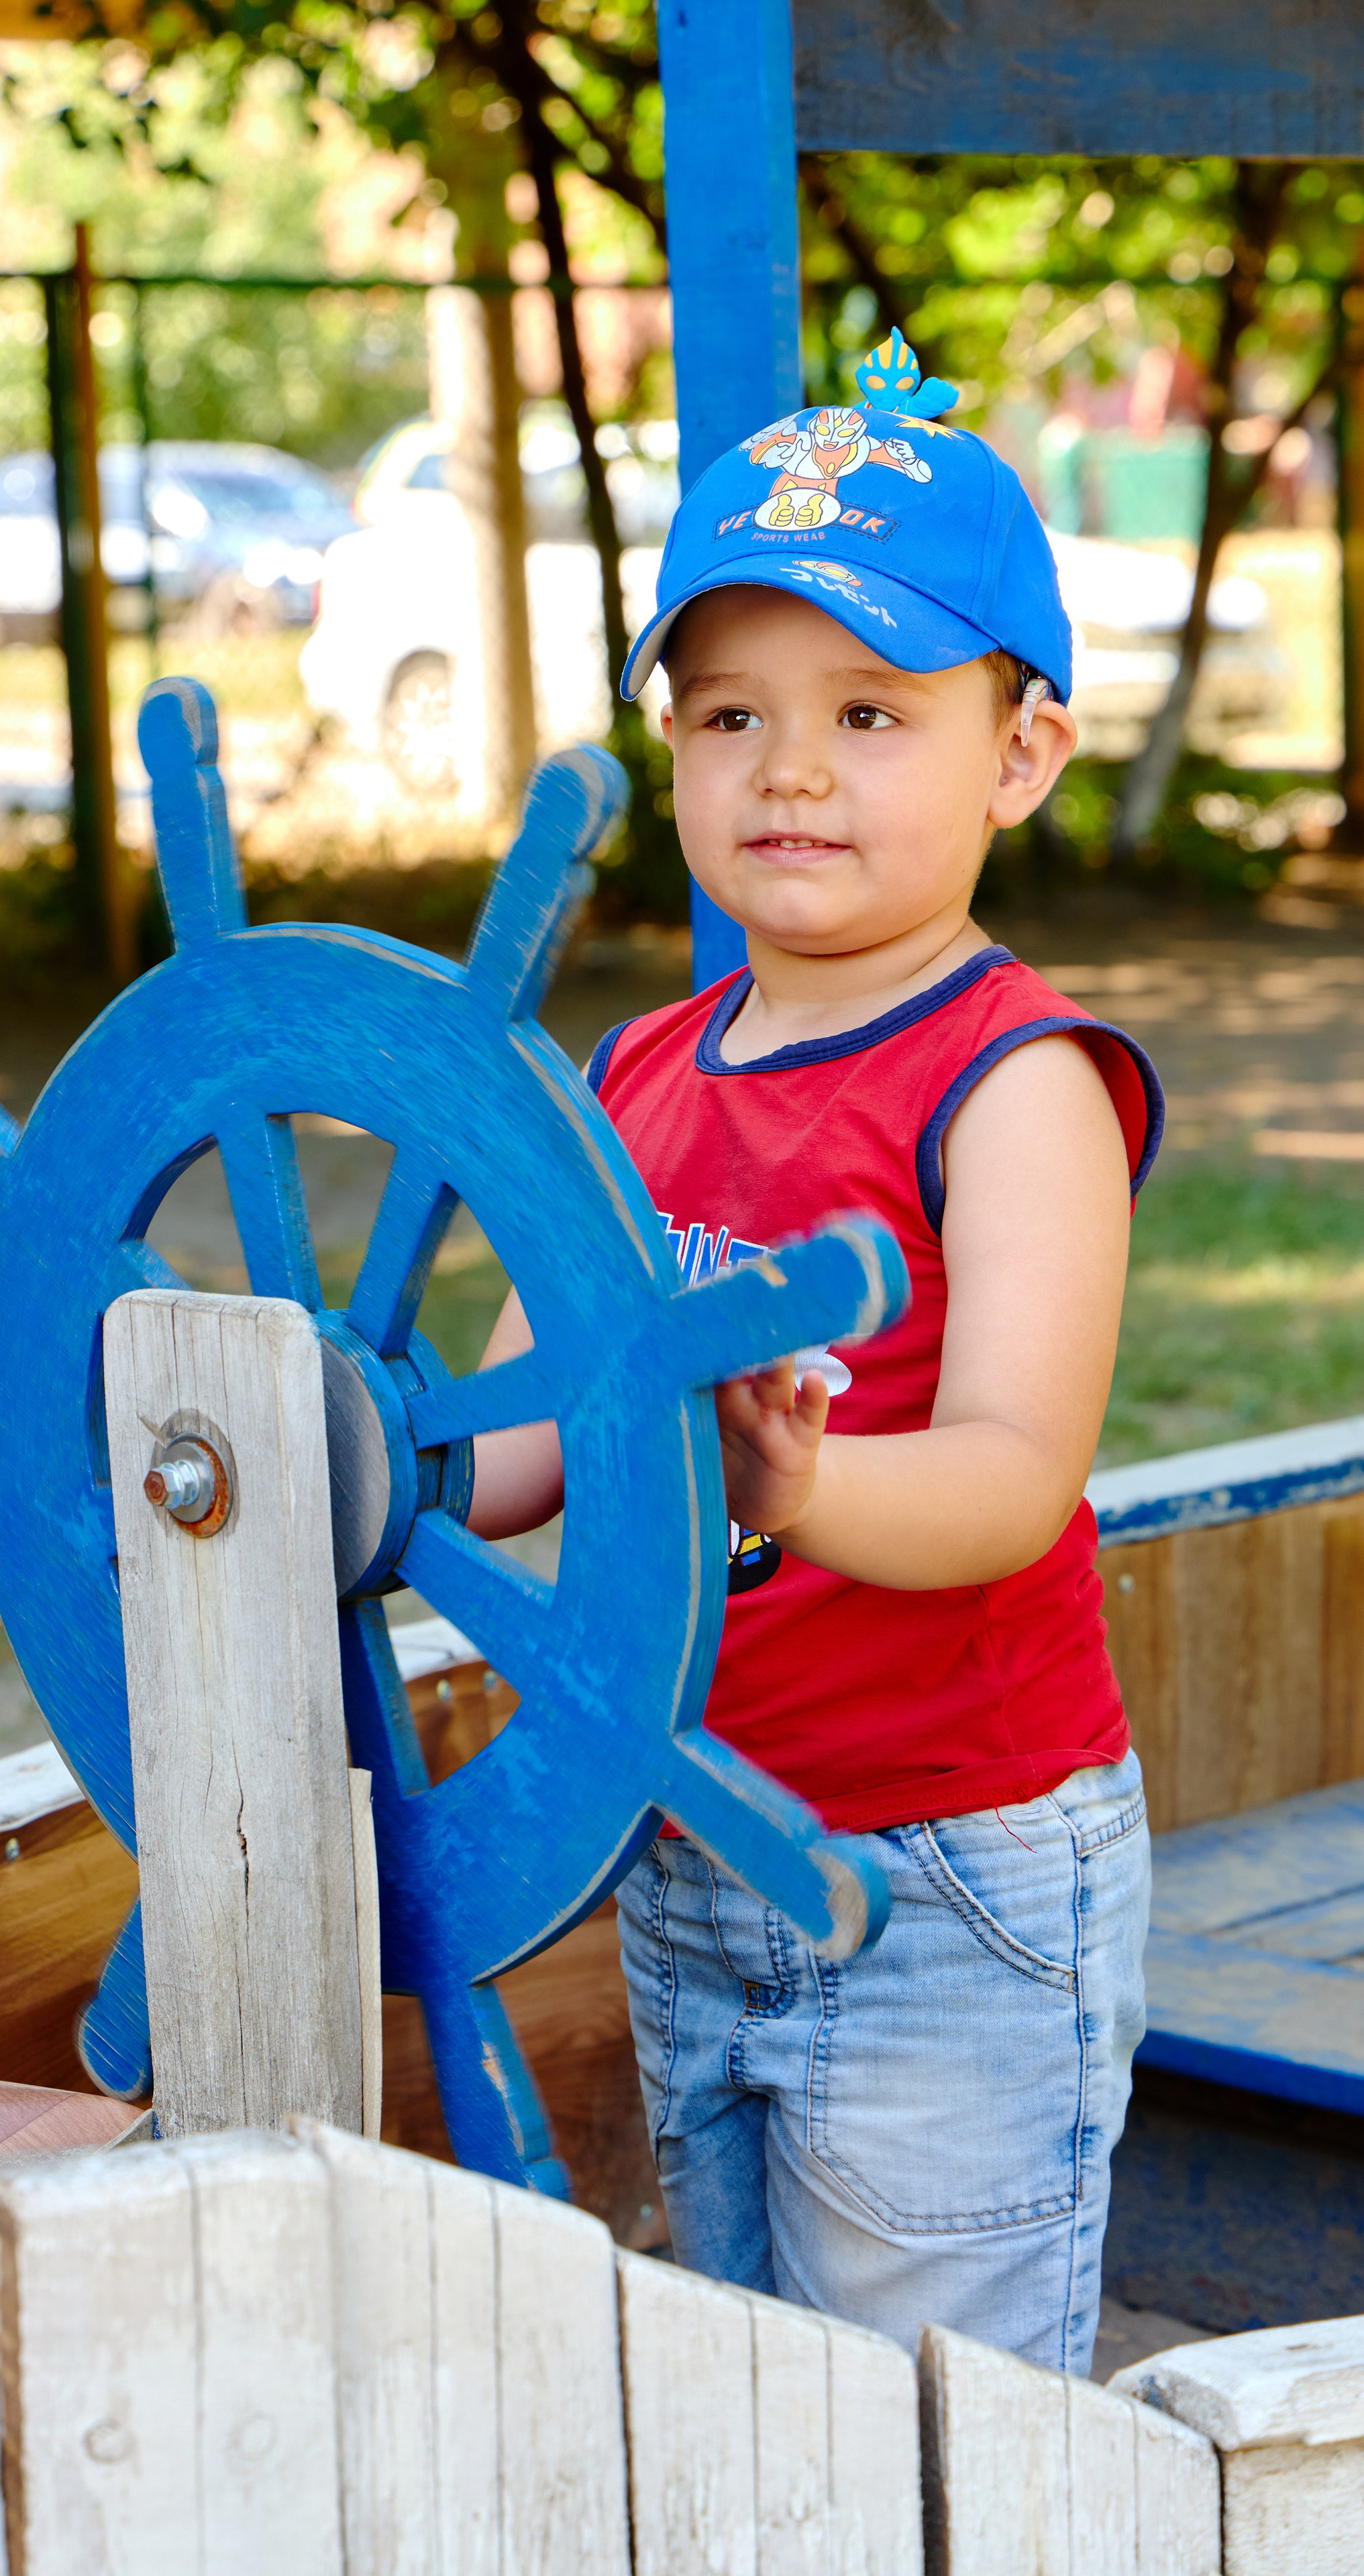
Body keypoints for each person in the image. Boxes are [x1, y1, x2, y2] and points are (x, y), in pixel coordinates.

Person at [465, 333, 1162, 2374]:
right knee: (762, 2395)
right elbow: (518, 1436)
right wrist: (255, 1430)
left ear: (1019, 755)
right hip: (693, 1841)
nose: (790, 769)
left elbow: (1017, 1468)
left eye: (871, 712)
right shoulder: (633, 1077)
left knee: (947, 2428)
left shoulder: (1013, 1080)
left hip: (952, 1875)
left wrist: (807, 1485)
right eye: (733, 713)